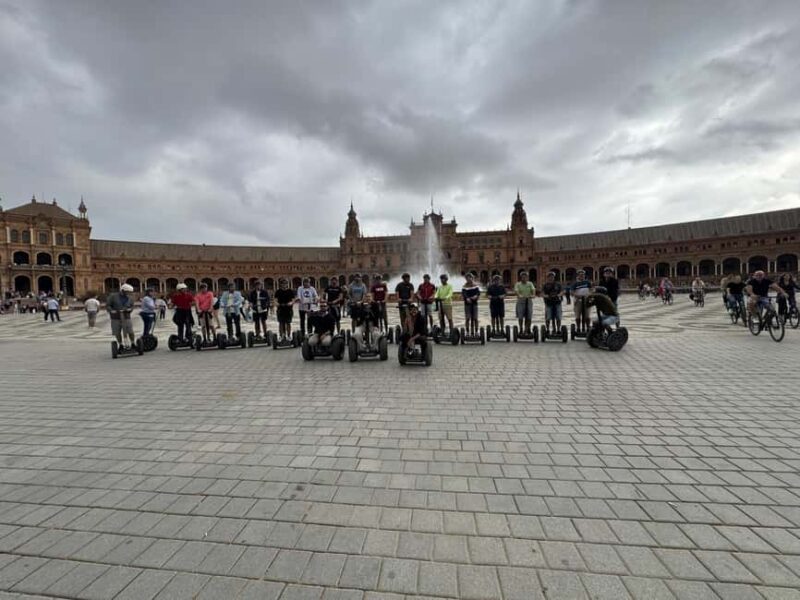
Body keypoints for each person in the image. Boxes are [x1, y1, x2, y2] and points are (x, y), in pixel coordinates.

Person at [107, 283, 137, 348]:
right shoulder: (113, 296)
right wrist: (111, 310)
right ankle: (120, 344)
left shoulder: (130, 298)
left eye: (130, 292)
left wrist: (130, 309)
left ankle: (133, 342)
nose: (129, 293)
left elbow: (132, 306)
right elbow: (108, 305)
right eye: (127, 292)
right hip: (116, 317)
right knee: (117, 332)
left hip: (126, 316)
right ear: (123, 290)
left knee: (130, 330)